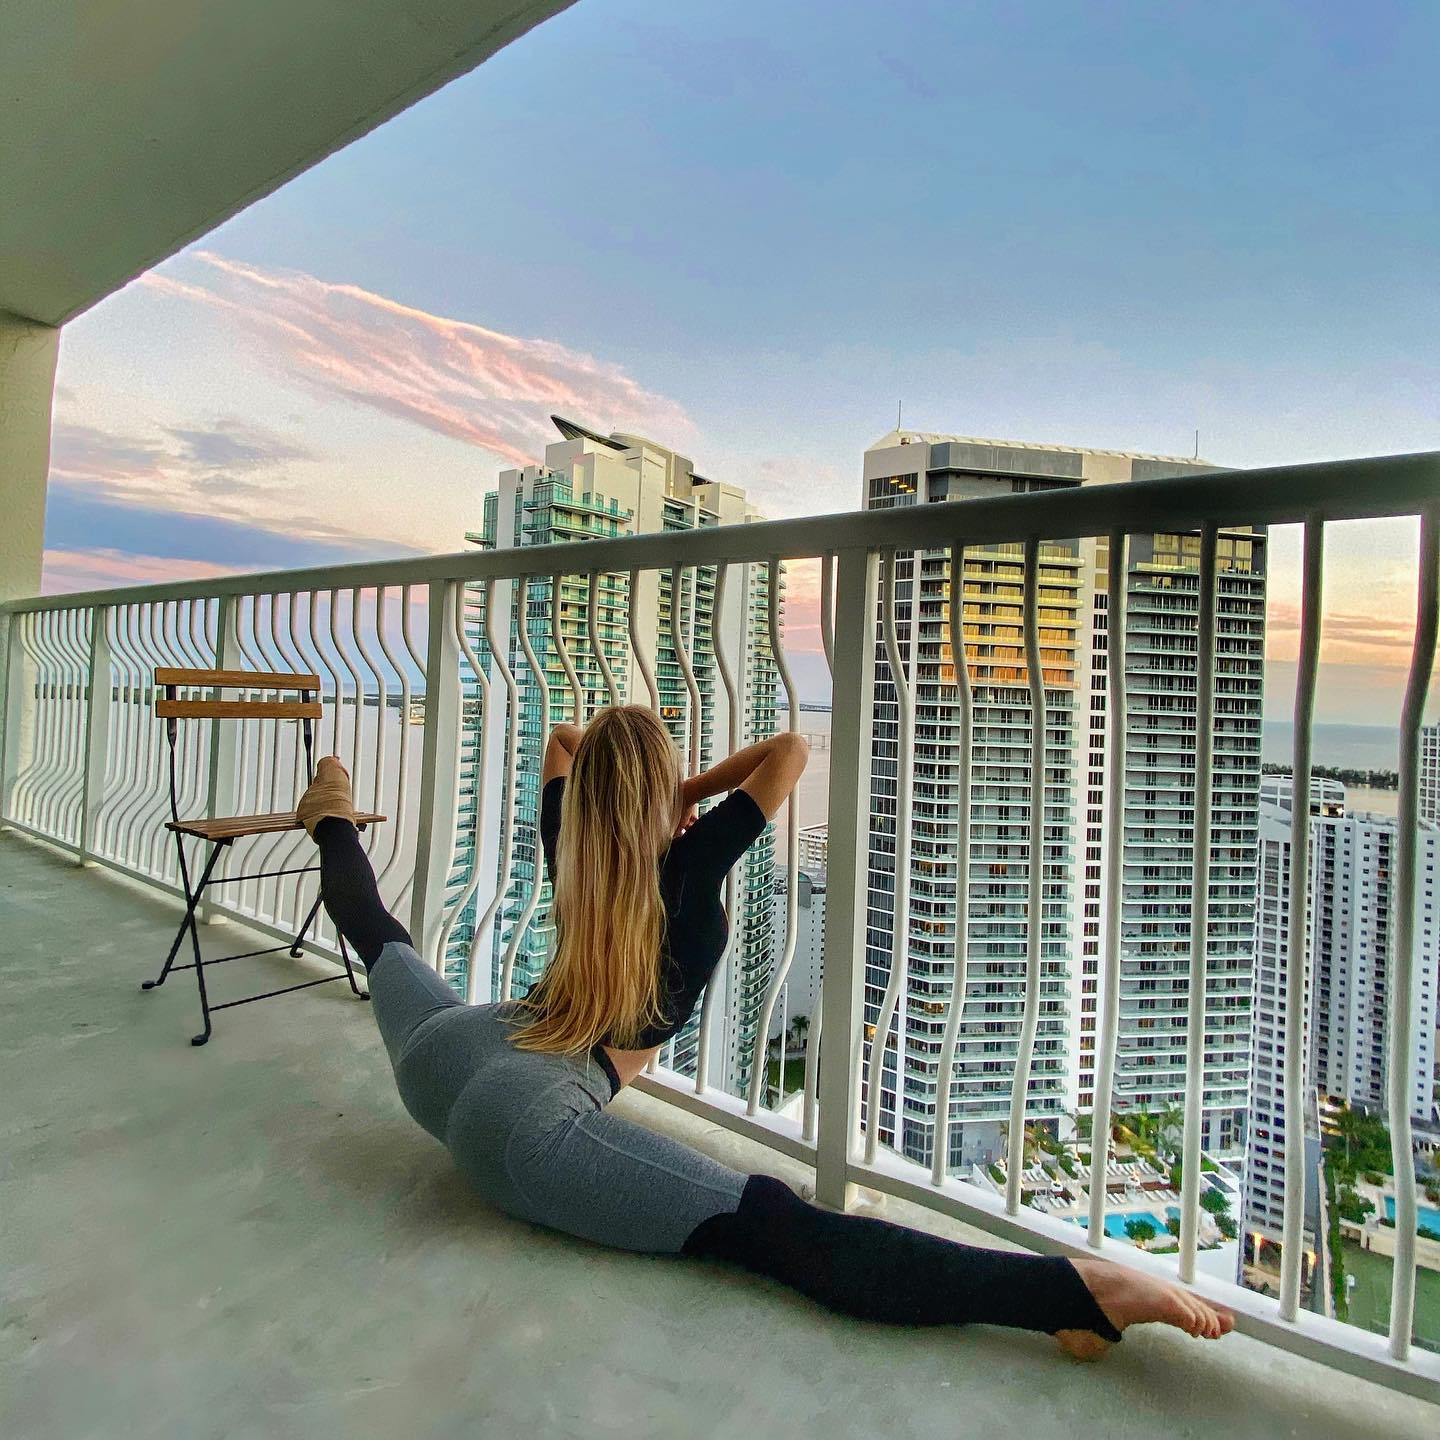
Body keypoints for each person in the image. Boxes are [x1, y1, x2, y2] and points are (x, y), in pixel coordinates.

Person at [298, 705, 1233, 1359]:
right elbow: (787, 751)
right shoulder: (689, 861)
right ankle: (1076, 1297)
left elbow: (564, 741)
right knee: (781, 1230)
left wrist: (636, 794)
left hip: (452, 1049)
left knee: (379, 934)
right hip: (524, 1120)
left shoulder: (571, 841)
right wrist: (683, 793)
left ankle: (332, 812)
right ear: (659, 801)